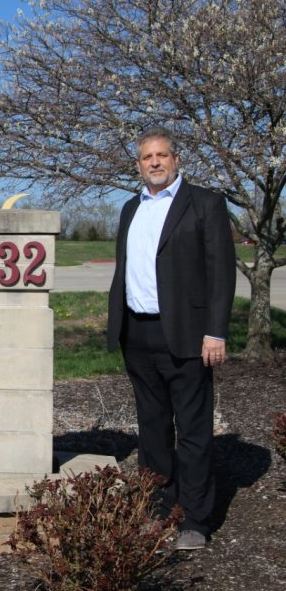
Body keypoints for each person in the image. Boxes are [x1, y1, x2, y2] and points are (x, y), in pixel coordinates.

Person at [107, 126, 236, 550]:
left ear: (176, 159)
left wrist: (215, 331)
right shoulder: (130, 208)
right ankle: (159, 510)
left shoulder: (204, 204)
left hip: (186, 334)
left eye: (162, 155)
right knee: (152, 429)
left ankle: (194, 520)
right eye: (148, 157)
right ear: (139, 164)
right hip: (138, 333)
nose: (156, 163)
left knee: (194, 431)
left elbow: (221, 272)